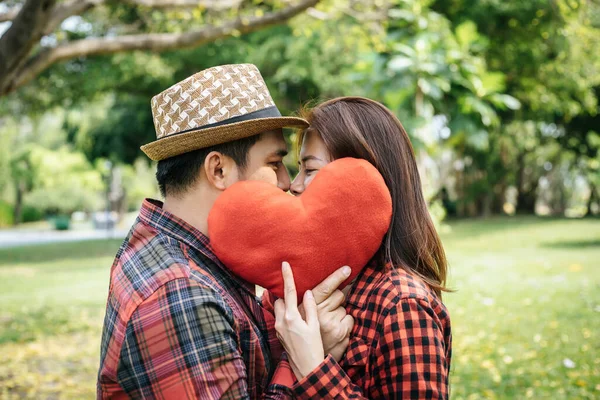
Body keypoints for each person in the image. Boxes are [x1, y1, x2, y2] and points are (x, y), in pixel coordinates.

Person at [96, 64, 354, 399]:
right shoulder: (181, 295)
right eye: (274, 163)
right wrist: (306, 363)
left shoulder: (177, 253)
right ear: (219, 170)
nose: (288, 183)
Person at [269, 97, 453, 398]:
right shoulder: (311, 285)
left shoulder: (403, 306)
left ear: (364, 181)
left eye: (310, 169)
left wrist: (314, 369)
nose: (295, 185)